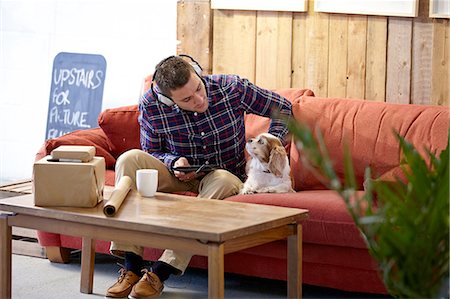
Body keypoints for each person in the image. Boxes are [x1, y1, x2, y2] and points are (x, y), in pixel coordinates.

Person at [105, 54, 292, 299]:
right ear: (167, 99)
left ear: (198, 73)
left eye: (198, 88)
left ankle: (161, 272)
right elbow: (151, 151)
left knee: (223, 179)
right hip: (177, 174)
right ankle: (131, 266)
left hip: (221, 176)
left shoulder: (231, 87)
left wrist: (268, 149)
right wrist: (174, 162)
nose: (200, 99)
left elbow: (284, 109)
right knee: (129, 159)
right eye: (187, 99)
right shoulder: (151, 104)